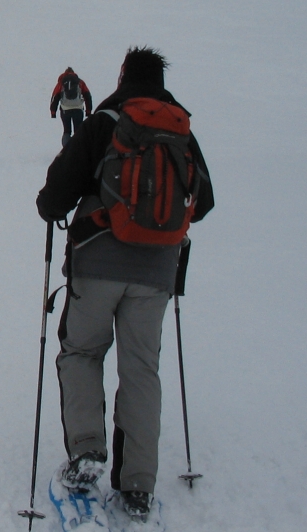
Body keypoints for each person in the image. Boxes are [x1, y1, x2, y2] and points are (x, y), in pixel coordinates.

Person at [35, 47, 214, 525]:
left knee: (81, 352)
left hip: (97, 261)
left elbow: (55, 194)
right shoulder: (180, 129)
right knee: (141, 371)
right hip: (156, 274)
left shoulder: (105, 121)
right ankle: (137, 486)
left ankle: (87, 452)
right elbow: (206, 201)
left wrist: (56, 207)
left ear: (122, 76)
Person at [50, 68, 93, 147]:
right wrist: (88, 111)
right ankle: (78, 149)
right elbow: (87, 96)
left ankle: (66, 150)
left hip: (65, 110)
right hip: (78, 109)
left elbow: (55, 97)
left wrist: (53, 111)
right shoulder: (80, 82)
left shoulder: (61, 83)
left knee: (67, 131)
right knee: (78, 130)